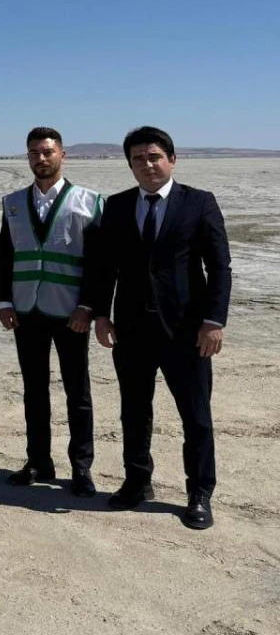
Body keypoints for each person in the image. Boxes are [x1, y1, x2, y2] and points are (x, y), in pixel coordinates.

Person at [87, 126, 231, 529]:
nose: (147, 165)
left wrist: (213, 321)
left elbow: (219, 266)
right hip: (132, 329)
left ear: (172, 159)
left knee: (196, 416)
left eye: (154, 157)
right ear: (130, 165)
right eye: (138, 159)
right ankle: (137, 481)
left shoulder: (199, 202)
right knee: (134, 411)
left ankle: (199, 492)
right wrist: (101, 314)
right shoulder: (117, 206)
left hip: (186, 331)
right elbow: (104, 267)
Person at [0, 128, 101, 497]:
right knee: (34, 389)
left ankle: (81, 466)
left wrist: (87, 306)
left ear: (62, 155)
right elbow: (4, 256)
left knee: (77, 392)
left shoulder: (88, 201)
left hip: (70, 312)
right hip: (26, 311)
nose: (40, 159)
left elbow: (99, 263)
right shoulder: (12, 203)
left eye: (47, 152)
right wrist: (4, 302)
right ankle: (38, 460)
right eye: (34, 153)